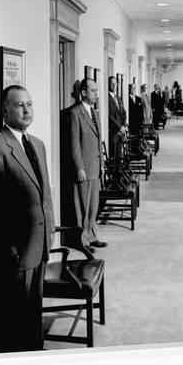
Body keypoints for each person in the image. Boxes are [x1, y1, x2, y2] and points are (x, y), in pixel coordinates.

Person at [0, 85, 55, 353]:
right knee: (11, 321)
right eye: (19, 105)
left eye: (29, 104)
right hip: (13, 252)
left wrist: (50, 233)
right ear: (5, 110)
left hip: (38, 244)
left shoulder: (38, 144)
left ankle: (34, 355)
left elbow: (45, 195)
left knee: (32, 314)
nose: (27, 110)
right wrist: (8, 248)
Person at [69, 78, 107, 251]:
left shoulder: (95, 112)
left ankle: (92, 236)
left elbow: (99, 141)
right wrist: (79, 167)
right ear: (83, 93)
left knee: (93, 205)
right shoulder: (75, 113)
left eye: (97, 91)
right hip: (84, 167)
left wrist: (102, 165)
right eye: (93, 91)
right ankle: (82, 241)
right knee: (82, 206)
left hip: (95, 165)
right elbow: (74, 143)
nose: (96, 94)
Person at [108, 75, 127, 162]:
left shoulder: (118, 97)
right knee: (113, 157)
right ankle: (114, 175)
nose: (114, 86)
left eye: (115, 84)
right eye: (112, 84)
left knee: (119, 156)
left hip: (121, 132)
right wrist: (119, 127)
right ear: (108, 85)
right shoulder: (107, 98)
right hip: (114, 132)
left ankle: (118, 175)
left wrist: (123, 126)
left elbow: (124, 113)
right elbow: (110, 116)